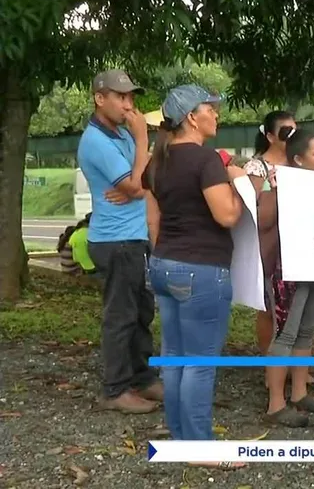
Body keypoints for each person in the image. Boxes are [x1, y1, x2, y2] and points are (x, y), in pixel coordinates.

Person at [143, 84, 247, 470]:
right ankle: (202, 448)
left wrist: (166, 256)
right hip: (202, 270)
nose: (217, 115)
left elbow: (153, 220)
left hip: (164, 264)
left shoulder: (156, 162)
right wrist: (242, 182)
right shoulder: (206, 161)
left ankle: (181, 438)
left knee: (173, 357)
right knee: (201, 362)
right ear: (192, 116)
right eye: (211, 109)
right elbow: (227, 216)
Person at [77, 69, 160, 414]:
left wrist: (138, 180)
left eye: (131, 97)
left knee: (141, 312)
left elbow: (147, 178)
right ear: (100, 98)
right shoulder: (96, 141)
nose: (130, 105)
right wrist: (142, 142)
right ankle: (114, 389)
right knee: (121, 316)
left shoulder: (119, 135)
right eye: (122, 97)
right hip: (116, 241)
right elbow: (135, 186)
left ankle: (141, 378)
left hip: (133, 237)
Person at [263, 129, 314, 428]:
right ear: (298, 159)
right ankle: (275, 402)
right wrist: (277, 190)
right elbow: (263, 219)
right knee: (285, 333)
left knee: (306, 330)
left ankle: (300, 392)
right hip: (287, 268)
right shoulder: (280, 182)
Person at [245, 111, 297, 357]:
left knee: (298, 307)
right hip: (268, 247)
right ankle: (269, 361)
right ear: (269, 136)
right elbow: (253, 211)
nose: (293, 136)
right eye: (286, 131)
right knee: (268, 306)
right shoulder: (257, 167)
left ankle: (295, 366)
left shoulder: (298, 163)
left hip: (296, 247)